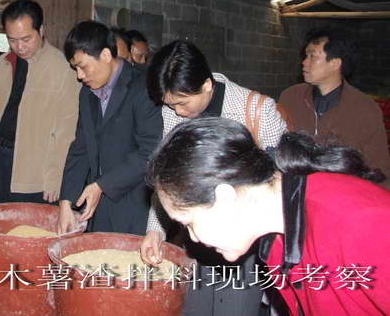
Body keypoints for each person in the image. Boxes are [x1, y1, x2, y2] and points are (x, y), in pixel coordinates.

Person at [148, 116, 390, 316]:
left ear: (225, 197)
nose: (193, 239)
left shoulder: (361, 224)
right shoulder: (276, 241)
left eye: (189, 223)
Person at [141, 40, 287, 316]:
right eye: (170, 104)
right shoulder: (172, 113)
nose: (177, 111)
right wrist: (155, 229)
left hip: (244, 246)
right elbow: (170, 178)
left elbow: (282, 183)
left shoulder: (257, 110)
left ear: (207, 85)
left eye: (182, 103)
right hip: (198, 238)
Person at [0, 0, 81, 206]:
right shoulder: (0, 66)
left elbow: (66, 132)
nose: (19, 47)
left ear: (41, 30)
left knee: (28, 224)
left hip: (34, 171)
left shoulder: (64, 69)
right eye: (12, 40)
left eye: (26, 39)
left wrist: (55, 177)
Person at [57, 21, 162, 235]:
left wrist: (102, 185)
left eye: (83, 66)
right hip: (98, 209)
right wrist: (66, 202)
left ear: (105, 55)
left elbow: (150, 152)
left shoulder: (143, 87)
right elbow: (81, 148)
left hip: (135, 207)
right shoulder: (87, 93)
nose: (79, 75)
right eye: (75, 68)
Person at [279, 28, 390, 185]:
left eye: (312, 56)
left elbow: (379, 168)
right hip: (294, 189)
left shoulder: (365, 109)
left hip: (342, 193)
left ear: (335, 64)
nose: (304, 62)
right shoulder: (291, 97)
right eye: (306, 56)